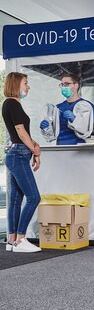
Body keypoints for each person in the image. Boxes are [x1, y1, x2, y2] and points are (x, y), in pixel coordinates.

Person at [2, 72, 42, 253]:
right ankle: (20, 239)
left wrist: (34, 146)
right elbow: (21, 132)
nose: (28, 86)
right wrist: (34, 150)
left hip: (17, 153)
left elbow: (23, 133)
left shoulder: (12, 104)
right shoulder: (12, 103)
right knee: (34, 197)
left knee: (16, 200)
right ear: (16, 84)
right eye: (25, 83)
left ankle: (11, 240)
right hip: (18, 154)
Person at [39, 73, 94, 145]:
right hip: (61, 148)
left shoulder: (87, 106)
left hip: (80, 149)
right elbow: (51, 136)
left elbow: (91, 131)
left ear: (76, 85)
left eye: (67, 84)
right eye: (62, 85)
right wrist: (46, 128)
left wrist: (75, 120)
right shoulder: (58, 108)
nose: (64, 87)